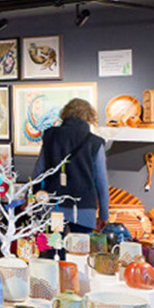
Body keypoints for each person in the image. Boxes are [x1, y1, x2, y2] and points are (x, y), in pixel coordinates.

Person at [35, 97, 108, 232]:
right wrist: (104, 214)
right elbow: (101, 182)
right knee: (79, 250)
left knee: (53, 249)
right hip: (83, 209)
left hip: (53, 206)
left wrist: (34, 200)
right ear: (89, 116)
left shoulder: (50, 136)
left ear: (65, 114)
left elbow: (38, 172)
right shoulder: (95, 142)